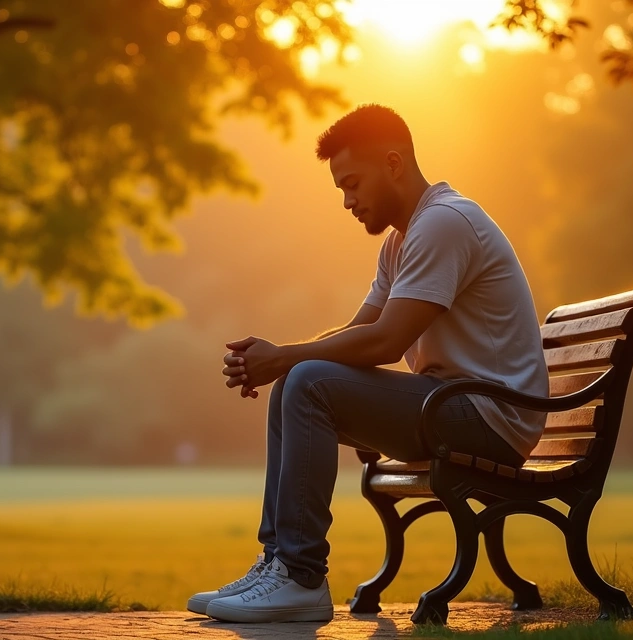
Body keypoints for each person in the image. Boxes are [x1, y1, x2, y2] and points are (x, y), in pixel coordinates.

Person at [189, 104, 548, 624]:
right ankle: (279, 562)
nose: (347, 201)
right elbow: (358, 330)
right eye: (341, 189)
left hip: (490, 417)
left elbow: (384, 342)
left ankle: (300, 576)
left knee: (305, 379)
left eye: (352, 184)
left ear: (394, 163)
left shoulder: (444, 223)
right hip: (452, 405)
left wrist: (284, 358)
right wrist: (278, 361)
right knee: (296, 380)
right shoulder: (400, 242)